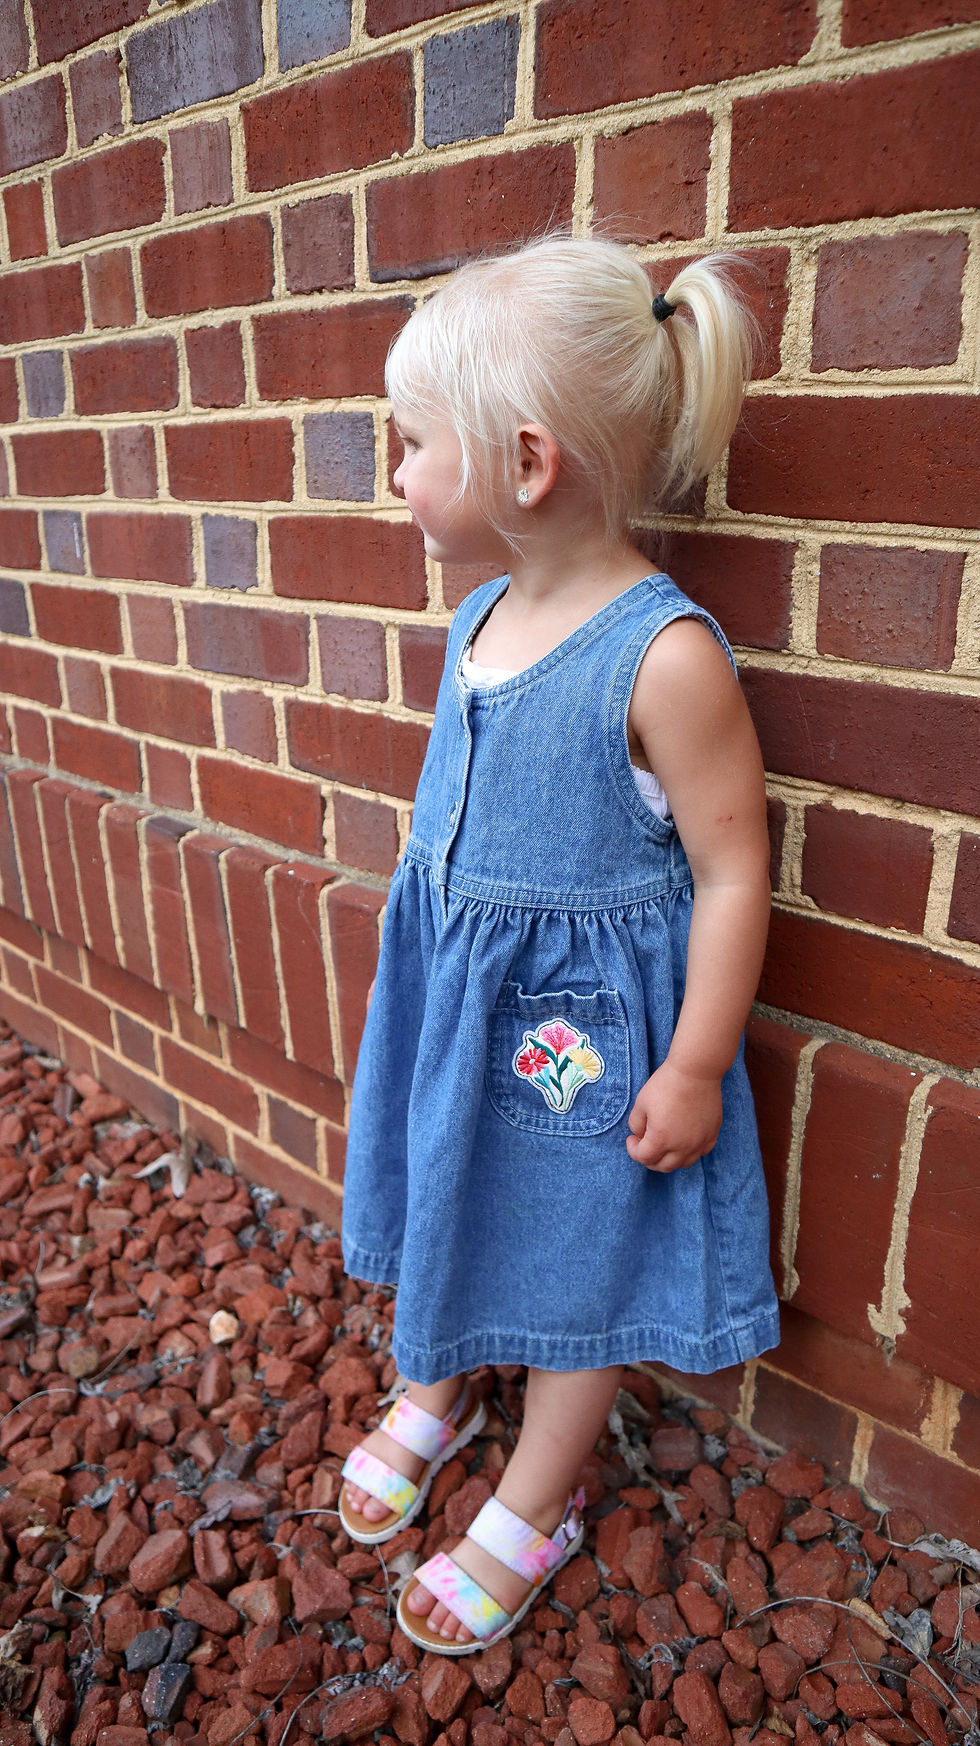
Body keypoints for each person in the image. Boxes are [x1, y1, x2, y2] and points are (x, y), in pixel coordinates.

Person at [337, 234, 780, 1655]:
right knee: (449, 1185)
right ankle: (443, 1376)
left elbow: (732, 866)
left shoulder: (664, 656)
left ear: (525, 463)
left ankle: (539, 1488)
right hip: (464, 1007)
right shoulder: (477, 615)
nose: (395, 474)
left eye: (414, 443)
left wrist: (697, 1062)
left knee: (577, 1250)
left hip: (576, 1056)